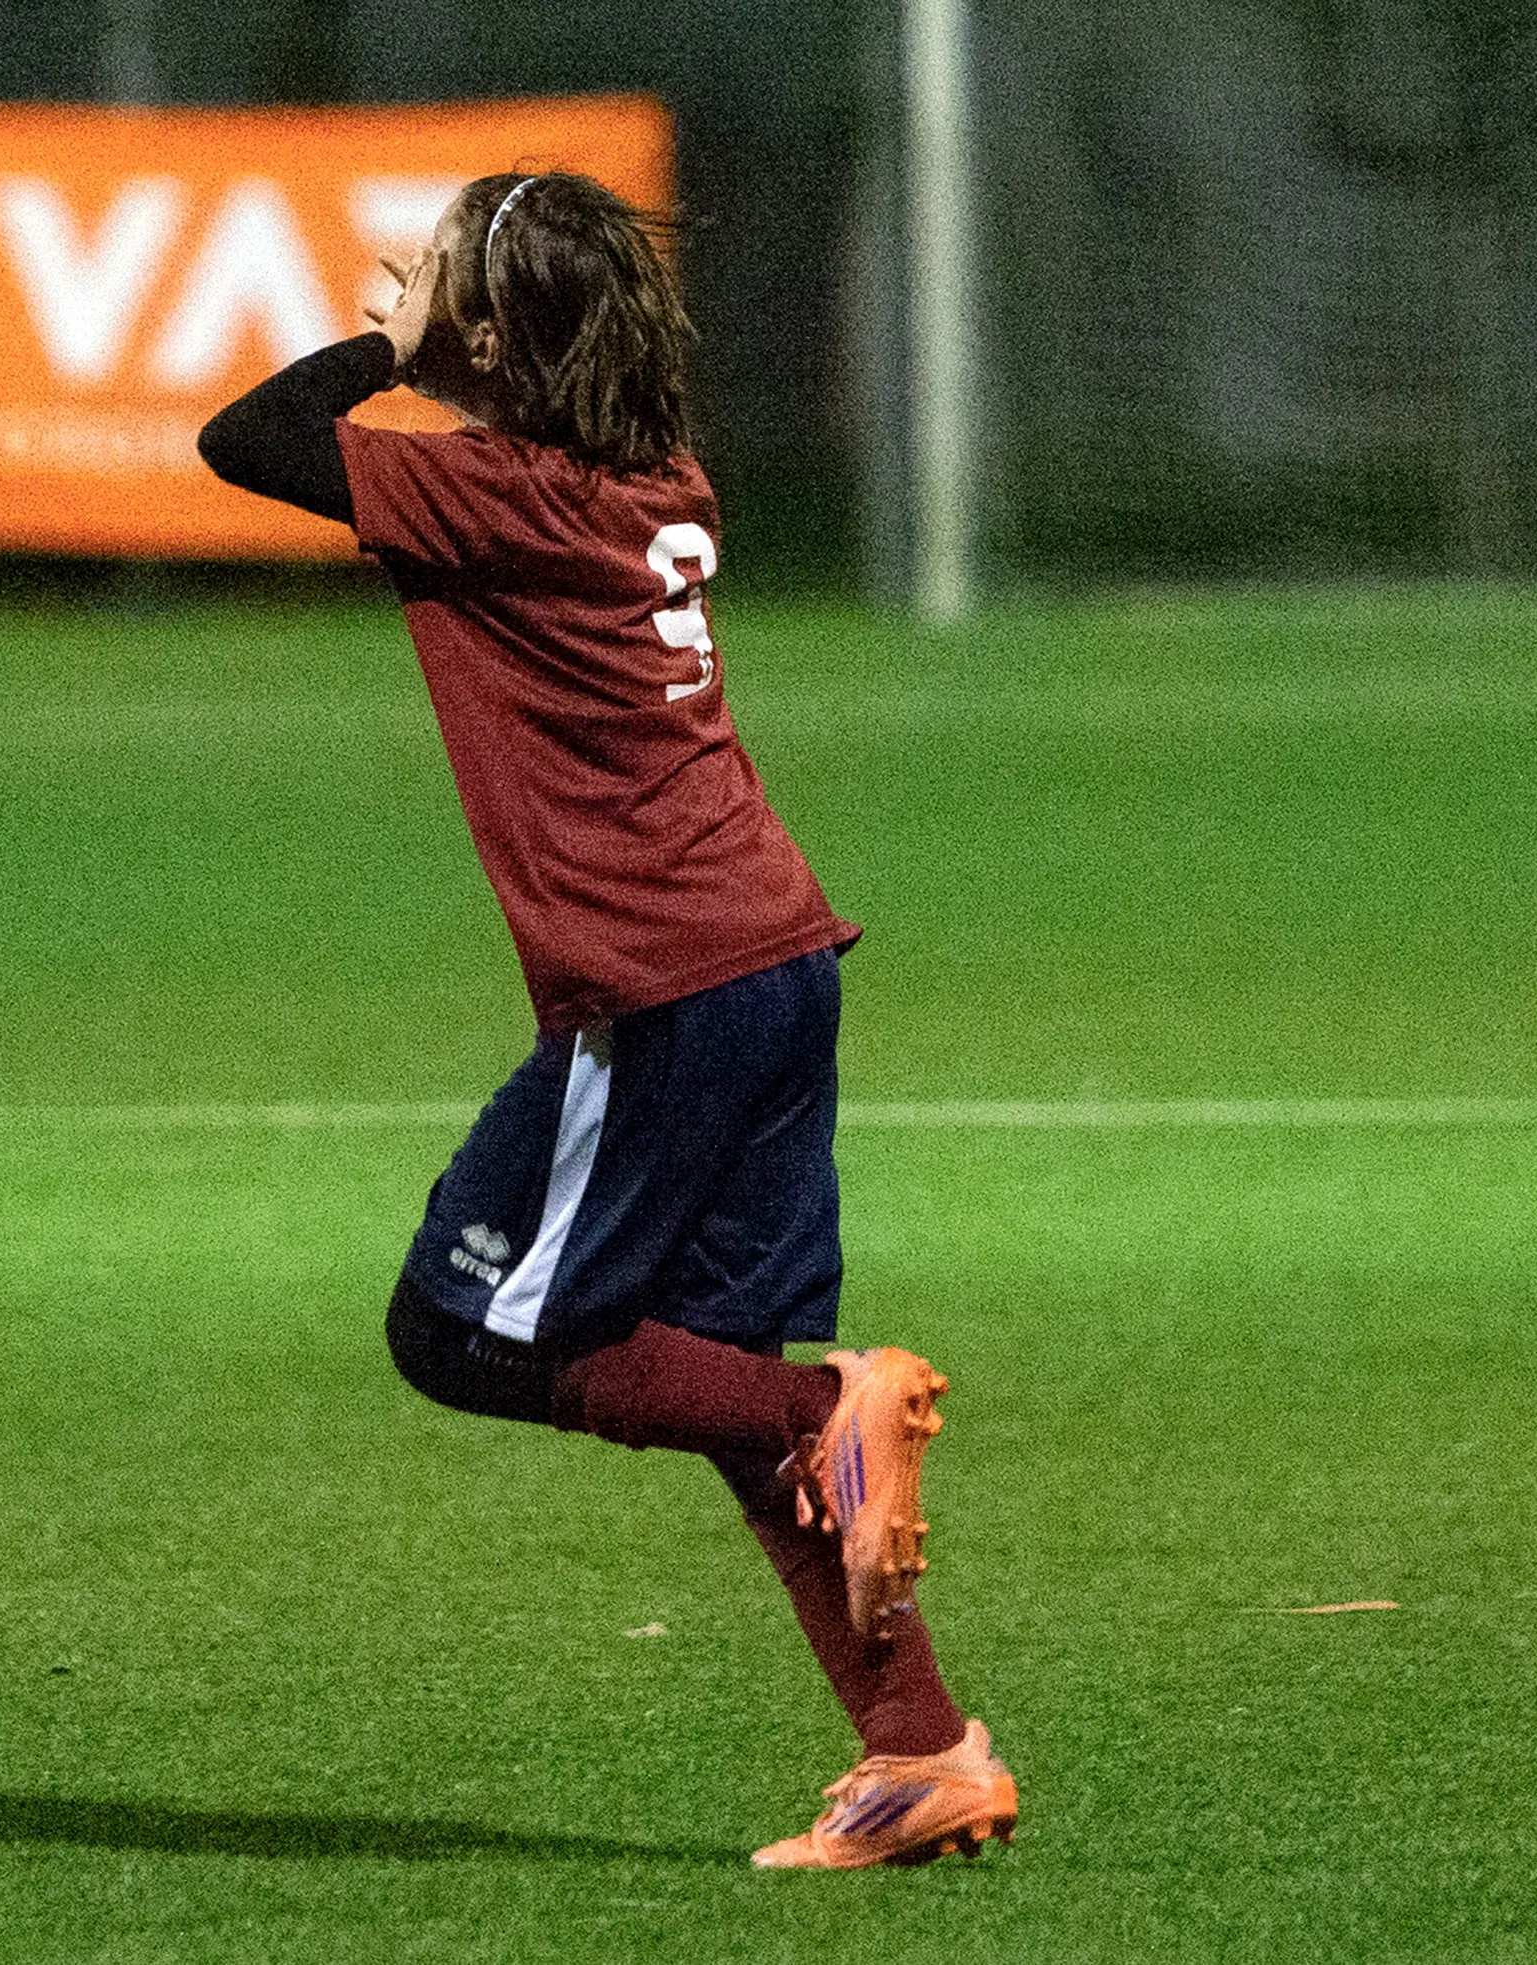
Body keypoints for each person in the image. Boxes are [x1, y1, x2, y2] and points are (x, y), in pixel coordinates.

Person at [197, 170, 1014, 1870]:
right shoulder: (655, 474)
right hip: (769, 960)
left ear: (491, 341)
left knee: (475, 1335)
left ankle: (830, 1418)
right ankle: (922, 1747)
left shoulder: (499, 494)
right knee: (710, 1378)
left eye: (431, 279)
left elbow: (246, 443)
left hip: (659, 993)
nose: (400, 288)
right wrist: (454, 328)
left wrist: (382, 351)